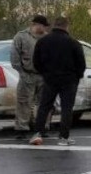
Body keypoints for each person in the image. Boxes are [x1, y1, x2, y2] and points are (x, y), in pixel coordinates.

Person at [30, 16, 86, 146]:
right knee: (67, 108)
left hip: (50, 78)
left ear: (54, 25)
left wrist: (44, 73)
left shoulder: (42, 41)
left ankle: (37, 133)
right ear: (66, 26)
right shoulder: (73, 43)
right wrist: (77, 76)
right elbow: (81, 64)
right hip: (69, 80)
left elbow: (36, 62)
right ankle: (64, 137)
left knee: (44, 106)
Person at [11, 15, 49, 139]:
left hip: (44, 75)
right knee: (24, 102)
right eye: (42, 26)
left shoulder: (47, 38)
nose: (44, 28)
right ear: (35, 25)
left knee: (44, 103)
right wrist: (22, 72)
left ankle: (42, 127)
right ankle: (21, 128)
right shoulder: (21, 37)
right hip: (27, 73)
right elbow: (14, 57)